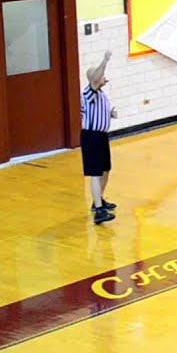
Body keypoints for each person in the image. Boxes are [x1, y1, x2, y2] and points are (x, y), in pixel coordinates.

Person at [82, 50, 119, 225]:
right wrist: (105, 60)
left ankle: (99, 200)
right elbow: (95, 78)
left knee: (105, 170)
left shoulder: (101, 94)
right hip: (92, 137)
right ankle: (98, 211)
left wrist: (110, 113)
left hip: (102, 137)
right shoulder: (89, 92)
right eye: (102, 75)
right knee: (95, 173)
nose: (104, 77)